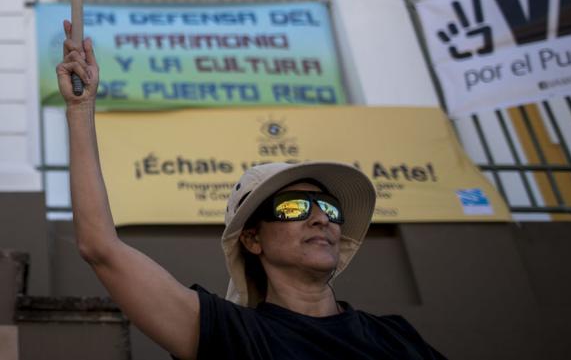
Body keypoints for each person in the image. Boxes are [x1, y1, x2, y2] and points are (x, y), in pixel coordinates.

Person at [55, 20, 448, 360]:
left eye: (328, 208)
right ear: (252, 239)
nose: (318, 217)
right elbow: (100, 248)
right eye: (294, 207)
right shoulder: (230, 334)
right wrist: (80, 110)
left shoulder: (395, 336)